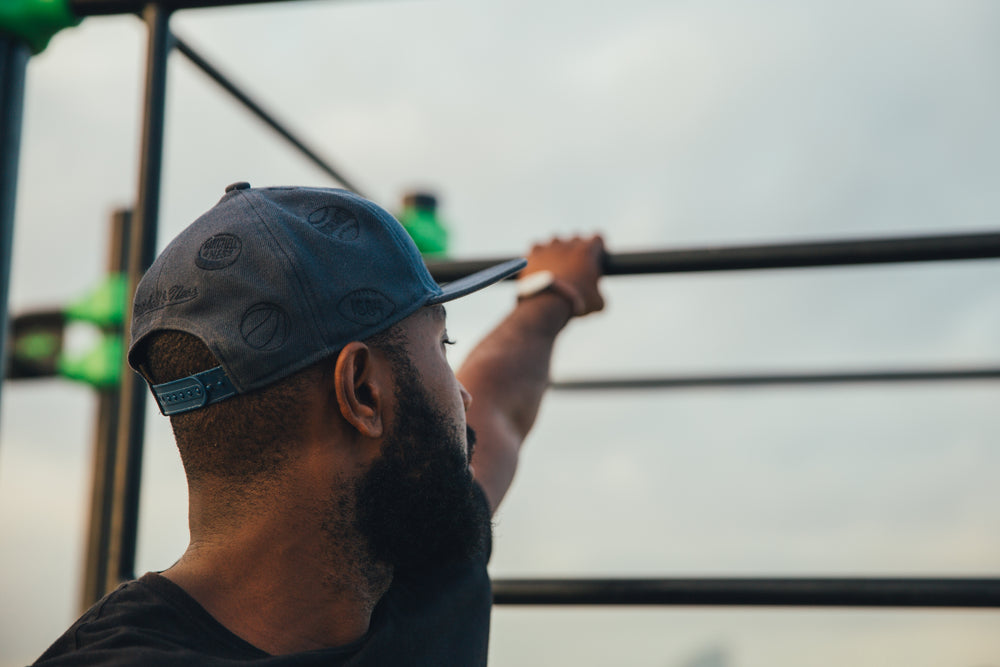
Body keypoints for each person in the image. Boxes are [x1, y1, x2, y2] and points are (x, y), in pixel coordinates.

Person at [34, 183, 604, 665]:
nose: (463, 393)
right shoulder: (425, 584)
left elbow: (500, 403)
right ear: (361, 391)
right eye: (442, 343)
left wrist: (549, 294)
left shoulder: (416, 551)